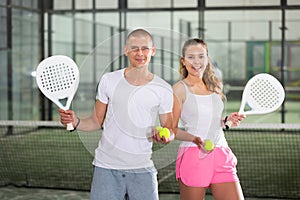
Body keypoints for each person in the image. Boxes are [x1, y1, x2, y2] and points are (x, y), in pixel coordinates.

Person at [59, 28, 174, 200]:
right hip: (106, 167)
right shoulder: (108, 80)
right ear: (125, 50)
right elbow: (96, 121)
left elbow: (170, 128)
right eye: (134, 48)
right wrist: (75, 121)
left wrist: (165, 136)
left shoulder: (163, 88)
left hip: (142, 168)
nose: (140, 53)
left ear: (153, 51)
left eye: (144, 48)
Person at [172, 38, 245, 200]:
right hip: (193, 156)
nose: (196, 61)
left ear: (207, 59)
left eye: (201, 56)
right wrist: (195, 139)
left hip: (221, 153)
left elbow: (210, 120)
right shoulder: (179, 89)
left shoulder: (215, 86)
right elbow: (172, 129)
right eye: (191, 57)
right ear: (183, 61)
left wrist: (225, 121)